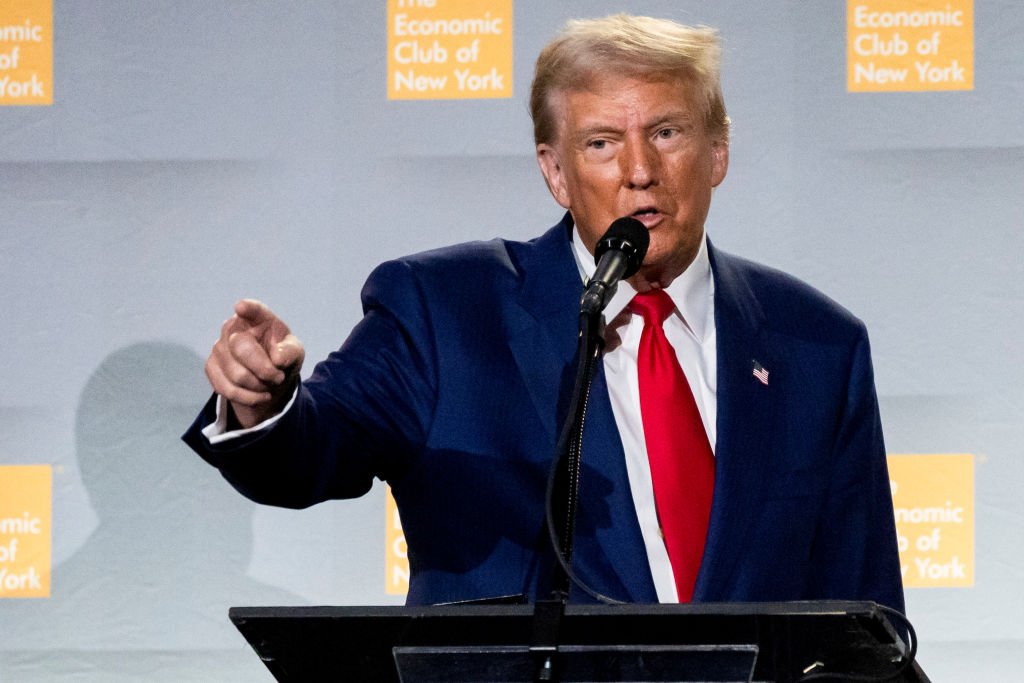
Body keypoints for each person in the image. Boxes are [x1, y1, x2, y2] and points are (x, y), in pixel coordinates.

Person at [184, 14, 905, 613]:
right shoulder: (446, 311)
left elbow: (862, 620)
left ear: (717, 151)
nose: (638, 169)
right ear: (555, 172)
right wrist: (267, 405)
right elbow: (320, 446)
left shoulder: (816, 346)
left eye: (667, 132)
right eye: (600, 143)